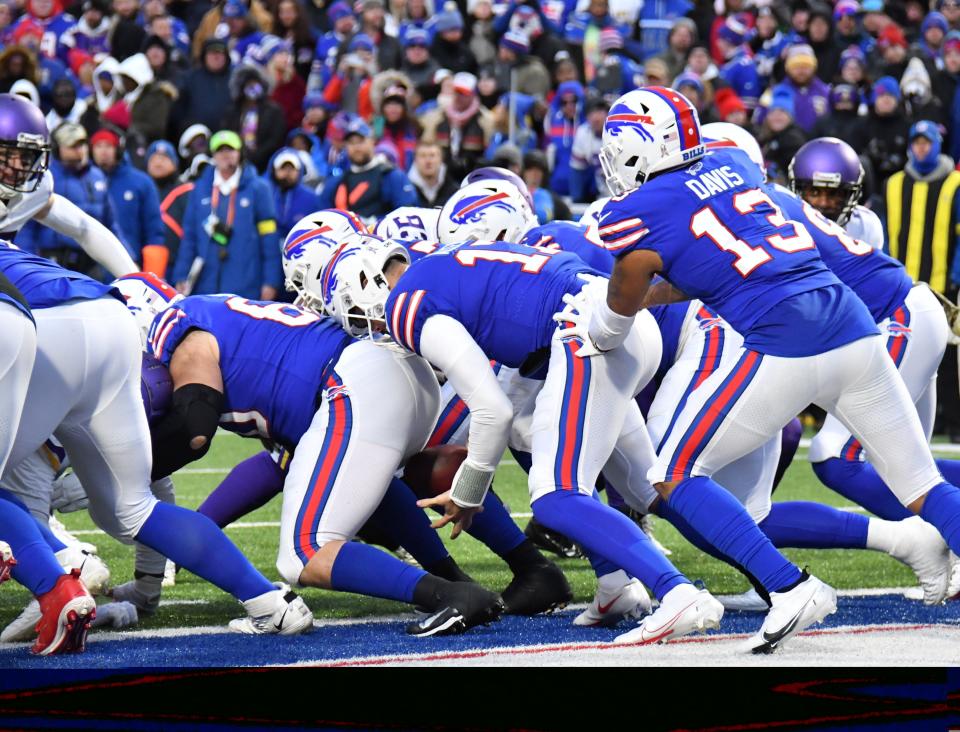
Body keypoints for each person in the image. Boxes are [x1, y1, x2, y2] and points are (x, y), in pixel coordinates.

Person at [590, 86, 960, 652]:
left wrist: (605, 328)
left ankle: (790, 587)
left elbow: (622, 296)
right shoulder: (734, 165)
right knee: (922, 486)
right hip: (857, 330)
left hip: (786, 341)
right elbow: (709, 263)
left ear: (639, 148)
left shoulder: (637, 211)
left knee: (672, 473)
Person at [321, 219, 726, 645]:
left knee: (556, 494)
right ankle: (779, 582)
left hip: (586, 337)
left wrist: (470, 490)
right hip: (610, 324)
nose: (374, 329)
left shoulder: (406, 301)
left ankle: (676, 590)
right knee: (650, 486)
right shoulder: (441, 260)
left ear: (366, 286)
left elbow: (491, 410)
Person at [147, 263, 504, 637]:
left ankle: (448, 594)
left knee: (304, 552)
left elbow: (195, 426)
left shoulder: (173, 326)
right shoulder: (221, 314)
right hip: (396, 377)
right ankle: (455, 581)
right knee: (368, 489)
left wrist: (119, 472)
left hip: (354, 383)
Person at [0, 245, 315, 640]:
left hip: (43, 329)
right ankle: (269, 603)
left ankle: (57, 585)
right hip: (110, 320)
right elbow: (83, 229)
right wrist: (147, 588)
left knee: (19, 485)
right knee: (133, 507)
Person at [885, 121, 960, 441]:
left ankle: (952, 421)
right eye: (916, 142)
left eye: (926, 142)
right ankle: (901, 419)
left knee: (949, 356)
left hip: (944, 286)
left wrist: (956, 277)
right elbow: (887, 234)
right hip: (904, 286)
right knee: (902, 353)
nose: (920, 148)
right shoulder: (894, 183)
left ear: (936, 144)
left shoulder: (955, 183)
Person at [5, 100, 135, 281]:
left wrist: (135, 277)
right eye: (7, 155)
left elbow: (85, 228)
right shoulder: (56, 176)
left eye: (26, 156)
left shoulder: (35, 187)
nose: (17, 165)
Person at [171, 129, 282, 301]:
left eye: (230, 149)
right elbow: (190, 236)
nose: (225, 155)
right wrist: (181, 275)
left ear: (240, 153)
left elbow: (269, 238)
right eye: (220, 150)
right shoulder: (200, 189)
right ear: (213, 155)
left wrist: (271, 282)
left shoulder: (259, 188)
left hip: (245, 282)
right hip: (205, 282)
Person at [90, 128, 166, 276]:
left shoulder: (141, 182)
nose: (103, 151)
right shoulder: (83, 181)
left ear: (118, 150)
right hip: (89, 266)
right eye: (98, 146)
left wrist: (152, 274)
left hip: (129, 264)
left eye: (108, 146)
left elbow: (154, 230)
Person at [318, 117, 418, 224]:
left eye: (361, 141)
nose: (356, 147)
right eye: (351, 142)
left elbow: (408, 214)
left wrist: (375, 223)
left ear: (372, 142)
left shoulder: (391, 176)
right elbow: (322, 218)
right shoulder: (335, 181)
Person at [223, 63, 286, 173]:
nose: (252, 88)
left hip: (266, 163)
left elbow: (275, 138)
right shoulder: (233, 110)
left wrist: (257, 155)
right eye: (249, 84)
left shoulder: (273, 110)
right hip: (237, 161)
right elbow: (228, 133)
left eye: (256, 84)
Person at [146, 139, 189, 278]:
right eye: (154, 158)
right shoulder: (141, 189)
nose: (158, 163)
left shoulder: (186, 192)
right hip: (145, 264)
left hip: (176, 264)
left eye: (164, 158)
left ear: (174, 164)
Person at [263, 147, 322, 243]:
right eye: (283, 168)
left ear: (299, 171)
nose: (287, 173)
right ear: (274, 171)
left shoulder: (311, 198)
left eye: (291, 168)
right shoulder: (264, 195)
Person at [407, 139, 459, 207]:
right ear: (415, 160)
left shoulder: (454, 191)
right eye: (423, 156)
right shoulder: (405, 190)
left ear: (441, 159)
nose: (428, 161)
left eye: (432, 155)